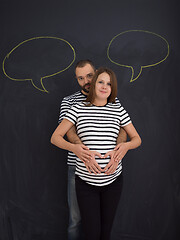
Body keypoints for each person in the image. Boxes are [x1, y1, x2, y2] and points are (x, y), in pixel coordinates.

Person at [51, 67, 141, 240]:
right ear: (94, 85)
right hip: (85, 183)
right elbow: (55, 137)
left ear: (112, 88)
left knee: (105, 233)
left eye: (109, 83)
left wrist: (126, 146)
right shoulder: (77, 109)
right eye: (100, 81)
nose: (104, 86)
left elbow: (137, 138)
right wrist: (75, 148)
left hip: (113, 181)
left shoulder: (118, 110)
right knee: (92, 233)